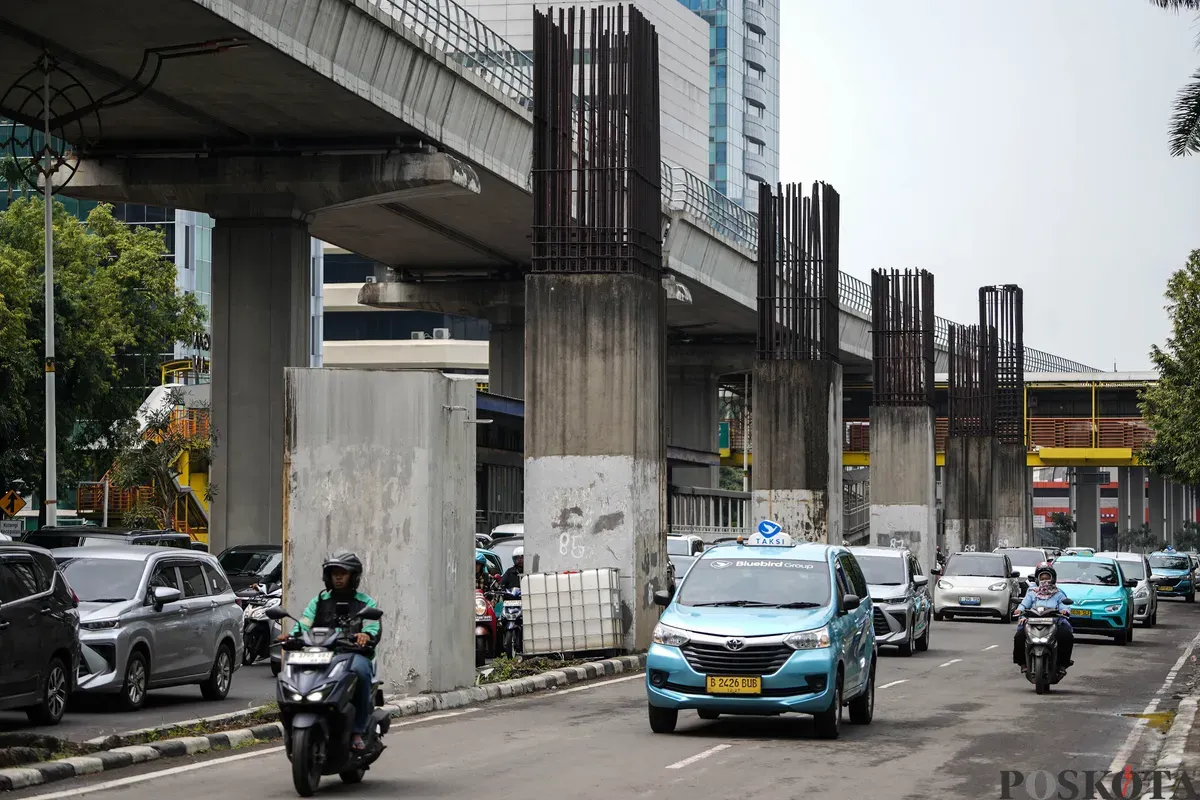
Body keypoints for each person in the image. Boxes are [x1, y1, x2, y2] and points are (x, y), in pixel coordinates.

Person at [293, 552, 381, 750]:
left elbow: (372, 626)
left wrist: (365, 635)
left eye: (343, 573)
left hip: (353, 654)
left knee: (361, 672)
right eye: (334, 573)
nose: (338, 577)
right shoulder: (319, 600)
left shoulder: (365, 602)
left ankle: (358, 730)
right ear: (328, 576)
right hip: (322, 654)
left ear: (354, 576)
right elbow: (304, 623)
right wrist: (291, 636)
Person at [1012, 564, 1074, 671]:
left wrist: (1064, 610)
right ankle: (1023, 663)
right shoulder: (1032, 593)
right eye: (1042, 578)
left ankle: (1062, 664)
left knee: (1066, 635)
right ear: (1037, 579)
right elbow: (1024, 604)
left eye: (1047, 578)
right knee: (1019, 636)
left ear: (1053, 578)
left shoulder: (1059, 594)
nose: (1045, 581)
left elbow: (1064, 605)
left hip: (1054, 622)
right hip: (1032, 622)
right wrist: (1019, 609)